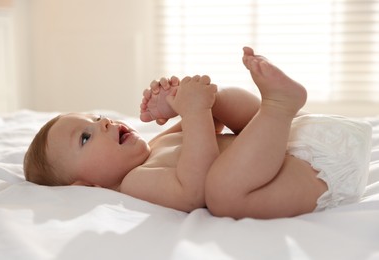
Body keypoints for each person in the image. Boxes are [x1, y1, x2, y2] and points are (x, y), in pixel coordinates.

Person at [24, 47, 372, 219]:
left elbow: (209, 126)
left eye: (96, 117)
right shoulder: (132, 182)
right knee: (220, 193)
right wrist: (192, 112)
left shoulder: (156, 144)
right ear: (86, 186)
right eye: (85, 137)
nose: (101, 124)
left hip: (295, 140)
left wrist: (179, 105)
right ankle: (278, 105)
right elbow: (193, 190)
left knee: (218, 108)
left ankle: (278, 106)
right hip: (314, 174)